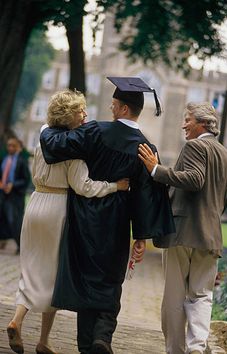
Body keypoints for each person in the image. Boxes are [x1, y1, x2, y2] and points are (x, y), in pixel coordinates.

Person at [40, 77, 176, 354]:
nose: (111, 109)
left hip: (84, 219)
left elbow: (55, 146)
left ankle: (86, 345)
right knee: (110, 280)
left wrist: (46, 128)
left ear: (125, 109)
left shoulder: (94, 131)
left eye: (114, 105)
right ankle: (102, 335)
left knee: (86, 277)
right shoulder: (146, 149)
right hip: (116, 222)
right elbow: (147, 196)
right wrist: (141, 236)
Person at [7, 90, 129, 354]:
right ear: (69, 115)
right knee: (55, 274)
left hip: (36, 202)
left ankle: (18, 320)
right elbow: (84, 187)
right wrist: (115, 186)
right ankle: (43, 339)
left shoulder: (42, 138)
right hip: (58, 208)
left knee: (30, 268)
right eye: (81, 111)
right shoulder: (74, 151)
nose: (85, 115)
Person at [138, 102, 227, 354]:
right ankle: (197, 346)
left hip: (181, 232)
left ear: (202, 123)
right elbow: (222, 201)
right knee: (202, 295)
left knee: (174, 296)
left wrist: (155, 169)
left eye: (188, 120)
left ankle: (176, 350)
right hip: (210, 235)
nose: (183, 124)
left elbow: (194, 179)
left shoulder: (194, 146)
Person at [0, 137, 30, 253]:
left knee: (15, 220)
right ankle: (3, 241)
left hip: (15, 195)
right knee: (2, 217)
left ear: (18, 147)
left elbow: (26, 179)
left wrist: (13, 185)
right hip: (3, 193)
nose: (10, 148)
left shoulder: (21, 161)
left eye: (13, 145)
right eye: (9, 145)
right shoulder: (5, 159)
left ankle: (20, 246)